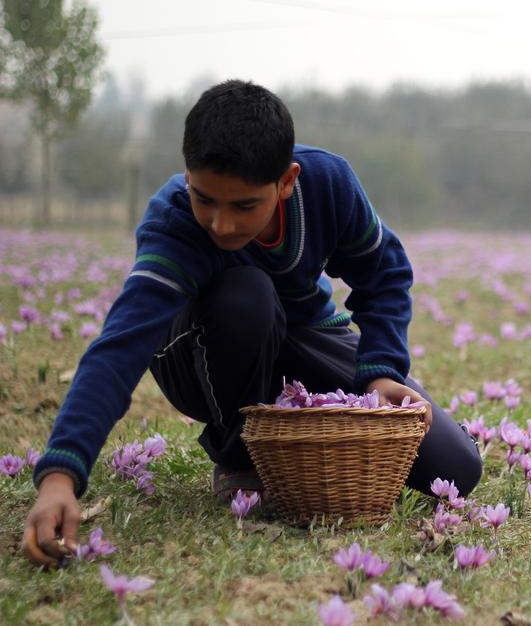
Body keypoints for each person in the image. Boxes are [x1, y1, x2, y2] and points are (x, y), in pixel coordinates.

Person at [21, 80, 482, 568]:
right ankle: (237, 452)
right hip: (201, 351)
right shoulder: (176, 223)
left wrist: (382, 372)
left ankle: (287, 435)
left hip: (301, 334)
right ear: (187, 176)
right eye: (204, 199)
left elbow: (385, 273)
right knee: (248, 294)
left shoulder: (328, 185)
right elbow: (120, 347)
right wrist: (59, 478)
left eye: (243, 206)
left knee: (454, 467)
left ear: (286, 181)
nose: (220, 225)